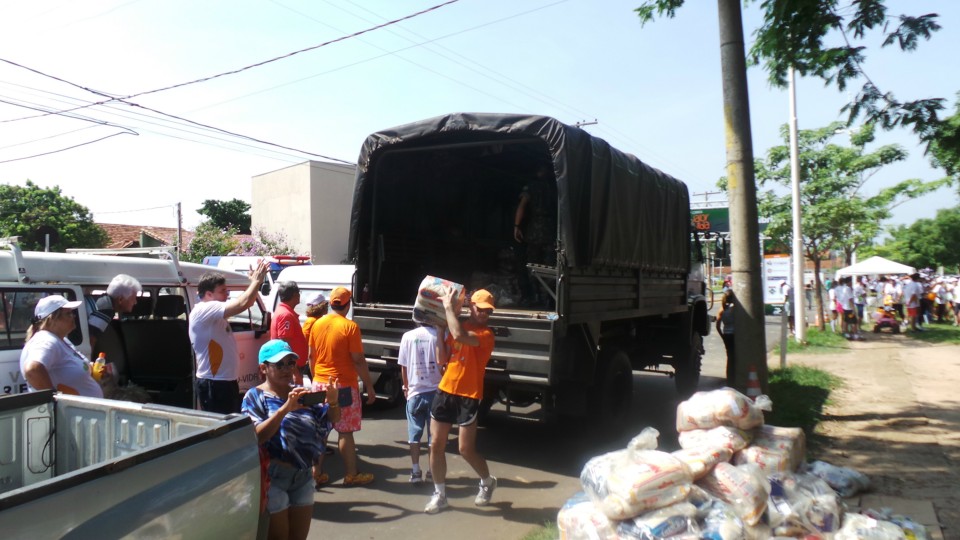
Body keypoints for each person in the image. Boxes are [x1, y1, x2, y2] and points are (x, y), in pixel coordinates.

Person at [242, 339, 340, 540]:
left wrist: (333, 402)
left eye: (290, 363)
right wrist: (285, 409)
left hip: (303, 476)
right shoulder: (254, 396)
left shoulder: (301, 392)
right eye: (279, 364)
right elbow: (257, 436)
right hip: (274, 478)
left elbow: (330, 420)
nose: (287, 369)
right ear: (264, 368)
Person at [425, 289, 498, 514]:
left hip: (469, 395)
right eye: (480, 308)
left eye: (488, 310)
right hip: (446, 390)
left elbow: (459, 336)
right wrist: (439, 331)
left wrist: (448, 309)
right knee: (436, 444)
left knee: (465, 449)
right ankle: (440, 495)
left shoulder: (486, 334)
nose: (484, 313)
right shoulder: (456, 326)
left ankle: (487, 481)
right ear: (471, 306)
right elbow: (442, 358)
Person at [308, 286, 375, 486]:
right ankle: (351, 474)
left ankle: (316, 473)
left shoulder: (317, 324)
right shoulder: (350, 327)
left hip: (319, 383)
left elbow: (311, 356)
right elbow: (358, 360)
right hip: (343, 385)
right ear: (348, 305)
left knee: (321, 431)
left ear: (330, 304)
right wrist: (369, 387)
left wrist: (316, 379)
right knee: (345, 431)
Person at [190, 260, 270, 414]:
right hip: (214, 383)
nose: (227, 294)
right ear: (208, 294)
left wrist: (254, 283)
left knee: (230, 425)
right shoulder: (205, 308)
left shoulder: (212, 312)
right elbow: (243, 303)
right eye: (223, 290)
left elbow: (248, 302)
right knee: (220, 428)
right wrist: (256, 281)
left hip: (223, 382)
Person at [20, 295, 103, 398]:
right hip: (70, 413)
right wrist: (55, 400)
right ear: (52, 319)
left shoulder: (60, 339)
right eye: (68, 314)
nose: (73, 316)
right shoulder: (46, 341)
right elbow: (32, 371)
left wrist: (91, 367)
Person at [398, 322, 443, 484]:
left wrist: (405, 387)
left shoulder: (407, 337)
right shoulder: (440, 335)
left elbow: (403, 366)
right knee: (434, 437)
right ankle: (432, 471)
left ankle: (416, 471)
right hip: (436, 393)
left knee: (414, 435)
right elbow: (444, 363)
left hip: (415, 393)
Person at [271, 281, 309, 380]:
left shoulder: (285, 312)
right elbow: (284, 343)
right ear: (295, 295)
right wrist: (294, 370)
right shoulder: (286, 315)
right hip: (290, 368)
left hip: (291, 367)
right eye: (298, 293)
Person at [715, 290, 736, 386]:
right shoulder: (735, 309)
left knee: (730, 357)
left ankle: (729, 379)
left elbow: (718, 326)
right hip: (734, 335)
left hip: (726, 335)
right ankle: (734, 378)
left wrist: (722, 336)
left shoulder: (722, 310)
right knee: (735, 358)